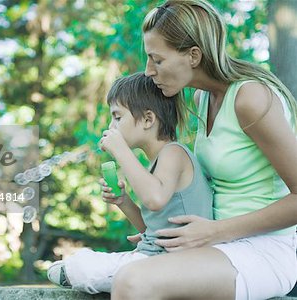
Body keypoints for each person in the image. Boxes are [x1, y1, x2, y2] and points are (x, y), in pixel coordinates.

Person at [111, 1, 297, 299]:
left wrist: (215, 231)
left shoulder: (250, 97)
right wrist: (160, 231)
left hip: (264, 249)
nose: (148, 72)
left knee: (133, 281)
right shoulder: (202, 98)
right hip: (214, 246)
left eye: (156, 60)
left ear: (193, 55)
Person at [47, 72, 214, 294]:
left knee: (78, 267)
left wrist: (121, 151)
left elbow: (154, 200)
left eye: (117, 117)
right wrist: (123, 201)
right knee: (77, 263)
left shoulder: (173, 153)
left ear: (147, 119)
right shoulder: (157, 164)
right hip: (157, 258)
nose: (111, 125)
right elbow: (152, 229)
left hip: (170, 264)